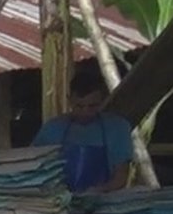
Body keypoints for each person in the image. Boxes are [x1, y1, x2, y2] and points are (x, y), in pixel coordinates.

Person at [32, 62, 136, 194]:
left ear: (102, 100)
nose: (85, 112)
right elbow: (35, 171)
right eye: (79, 106)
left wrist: (99, 190)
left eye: (92, 106)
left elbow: (121, 176)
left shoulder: (117, 128)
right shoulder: (52, 129)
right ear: (69, 100)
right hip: (58, 201)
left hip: (103, 201)